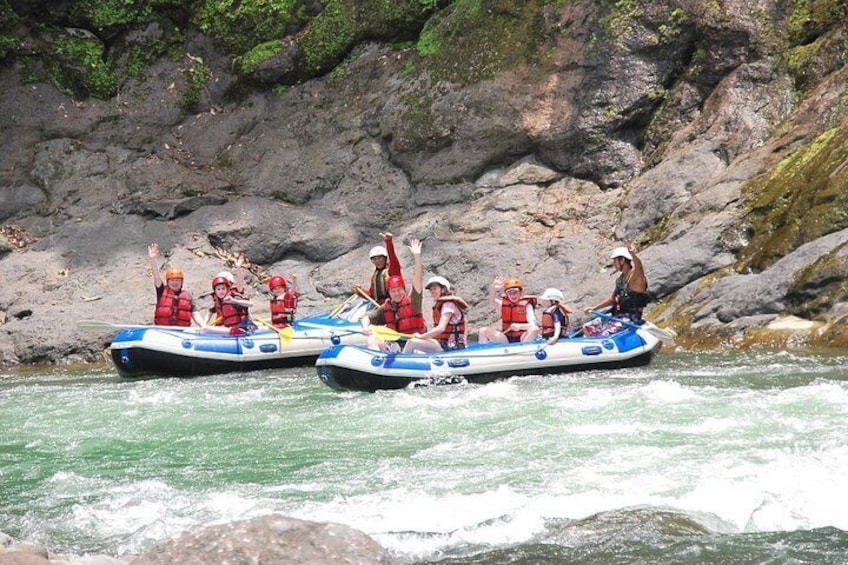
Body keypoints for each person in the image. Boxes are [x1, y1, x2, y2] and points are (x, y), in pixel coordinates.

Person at [361, 238, 425, 351]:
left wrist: (417, 256)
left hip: (416, 344)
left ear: (404, 290)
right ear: (389, 293)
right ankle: (378, 364)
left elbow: (418, 279)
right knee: (372, 339)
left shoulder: (414, 300)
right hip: (397, 344)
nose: (396, 294)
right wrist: (365, 327)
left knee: (412, 342)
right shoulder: (387, 306)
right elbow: (367, 317)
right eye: (393, 291)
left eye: (399, 290)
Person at [584, 239, 649, 322]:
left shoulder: (635, 278)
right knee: (588, 327)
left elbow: (639, 267)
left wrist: (632, 253)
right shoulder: (620, 280)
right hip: (618, 314)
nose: (614, 264)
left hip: (631, 319)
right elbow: (613, 299)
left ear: (622, 260)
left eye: (615, 261)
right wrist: (594, 308)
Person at [404, 275, 469, 353]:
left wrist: (421, 336)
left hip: (451, 346)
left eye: (435, 288)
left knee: (412, 343)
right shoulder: (442, 304)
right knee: (416, 350)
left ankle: (398, 364)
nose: (432, 292)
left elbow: (441, 328)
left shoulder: (448, 305)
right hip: (443, 343)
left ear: (444, 289)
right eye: (431, 290)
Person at [147, 242, 204, 327]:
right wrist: (152, 260)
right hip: (163, 331)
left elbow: (195, 314)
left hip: (181, 332)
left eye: (177, 280)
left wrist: (203, 326)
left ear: (182, 282)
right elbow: (156, 276)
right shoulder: (161, 290)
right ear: (168, 281)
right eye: (172, 280)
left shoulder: (188, 296)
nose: (175, 283)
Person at [478, 277, 540, 343]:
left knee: (534, 329)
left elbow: (533, 325)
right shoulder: (503, 305)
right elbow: (492, 300)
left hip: (523, 338)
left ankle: (524, 348)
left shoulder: (527, 306)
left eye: (515, 292)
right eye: (510, 293)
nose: (513, 295)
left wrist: (520, 326)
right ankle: (483, 350)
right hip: (505, 338)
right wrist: (493, 289)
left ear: (520, 293)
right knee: (483, 330)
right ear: (506, 294)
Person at [210, 253, 256, 334]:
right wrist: (203, 325)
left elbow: (240, 280)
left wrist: (238, 267)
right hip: (226, 327)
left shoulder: (235, 294)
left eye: (223, 288)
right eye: (218, 289)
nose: (221, 291)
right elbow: (210, 311)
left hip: (241, 327)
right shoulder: (218, 299)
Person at [356, 232, 402, 303]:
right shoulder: (375, 276)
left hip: (394, 304)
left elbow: (392, 257)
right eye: (374, 259)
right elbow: (372, 295)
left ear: (385, 258)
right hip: (381, 306)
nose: (377, 261)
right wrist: (360, 291)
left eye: (379, 258)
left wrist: (388, 242)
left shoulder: (393, 270)